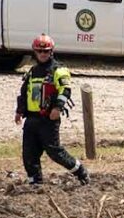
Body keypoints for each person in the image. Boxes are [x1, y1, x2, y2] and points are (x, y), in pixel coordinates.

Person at [13, 35, 89, 186]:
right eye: (40, 51)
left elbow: (65, 90)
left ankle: (79, 170)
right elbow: (24, 93)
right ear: (35, 52)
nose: (43, 54)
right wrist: (19, 111)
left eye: (46, 51)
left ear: (51, 51)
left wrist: (57, 108)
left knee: (54, 152)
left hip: (48, 119)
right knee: (29, 154)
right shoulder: (31, 72)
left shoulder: (59, 70)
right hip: (31, 120)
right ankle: (35, 182)